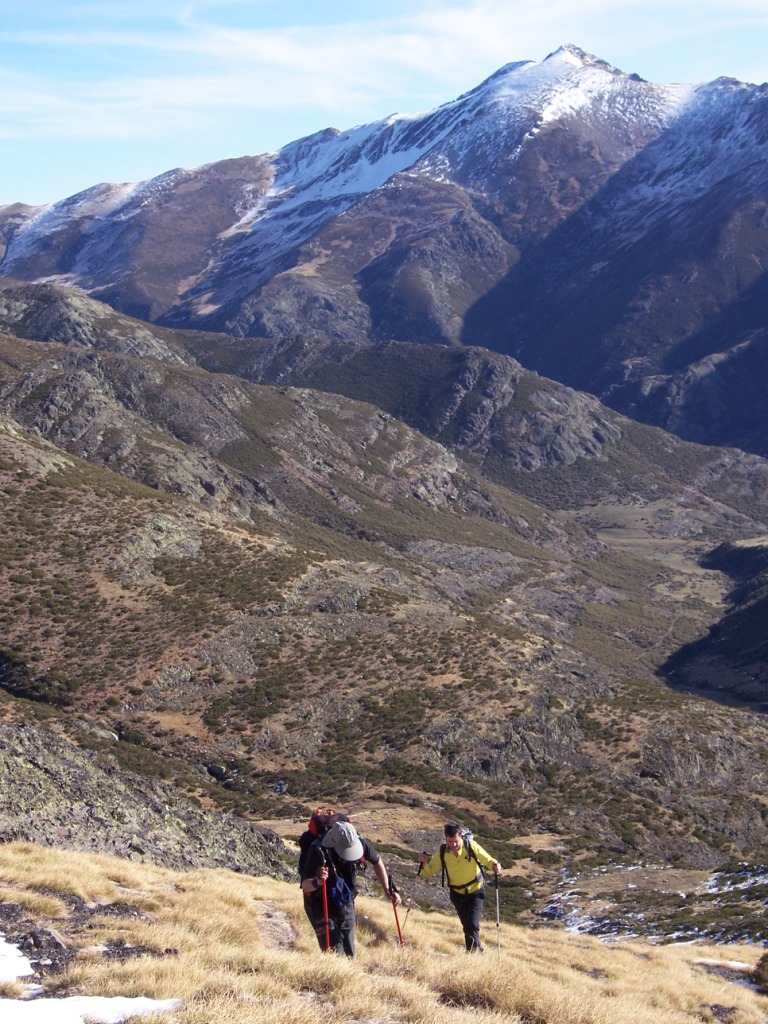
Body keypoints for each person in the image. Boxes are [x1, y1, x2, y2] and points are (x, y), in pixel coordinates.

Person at [300, 818, 401, 956]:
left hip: (345, 899)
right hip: (319, 903)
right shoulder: (317, 850)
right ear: (333, 844)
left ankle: (349, 973)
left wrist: (388, 890)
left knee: (349, 948)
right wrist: (317, 882)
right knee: (335, 952)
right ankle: (336, 975)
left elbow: (377, 862)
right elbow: (305, 885)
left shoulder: (360, 842)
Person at [419, 823, 501, 952]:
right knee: (466, 926)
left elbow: (488, 860)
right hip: (457, 894)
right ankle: (475, 951)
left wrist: (495, 865)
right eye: (450, 841)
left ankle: (474, 953)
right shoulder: (442, 851)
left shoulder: (471, 846)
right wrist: (424, 864)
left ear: (461, 837)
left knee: (472, 924)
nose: (453, 845)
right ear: (446, 839)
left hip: (476, 891)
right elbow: (430, 872)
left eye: (456, 841)